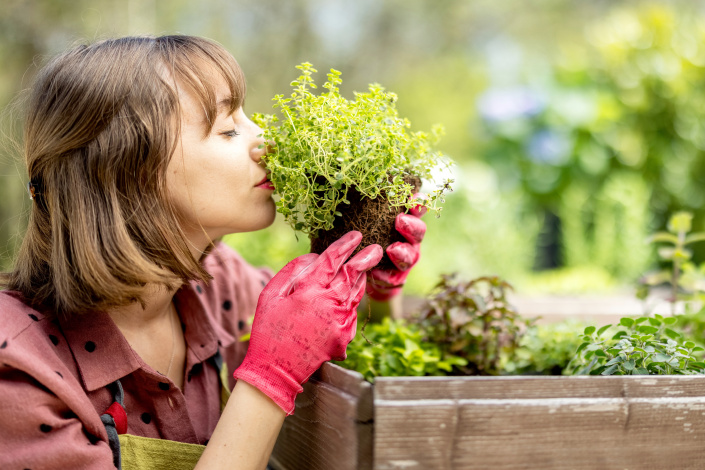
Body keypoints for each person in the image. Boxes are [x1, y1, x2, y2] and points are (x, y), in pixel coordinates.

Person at [0, 35, 426, 469]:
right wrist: (269, 379)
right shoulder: (16, 367)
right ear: (128, 170)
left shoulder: (223, 284)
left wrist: (368, 291)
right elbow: (283, 364)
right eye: (228, 130)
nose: (268, 142)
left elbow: (333, 352)